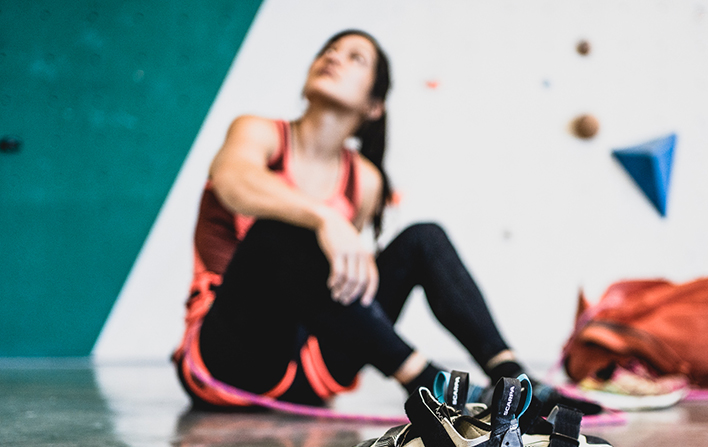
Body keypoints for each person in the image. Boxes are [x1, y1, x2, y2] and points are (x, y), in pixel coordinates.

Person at [173, 30, 542, 410]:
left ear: (374, 105)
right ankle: (428, 381)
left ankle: (516, 383)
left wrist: (330, 227)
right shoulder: (259, 132)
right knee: (282, 228)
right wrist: (323, 218)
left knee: (424, 239)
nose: (333, 57)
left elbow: (340, 283)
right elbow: (232, 182)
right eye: (329, 51)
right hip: (230, 360)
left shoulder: (365, 181)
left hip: (314, 370)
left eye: (354, 58)